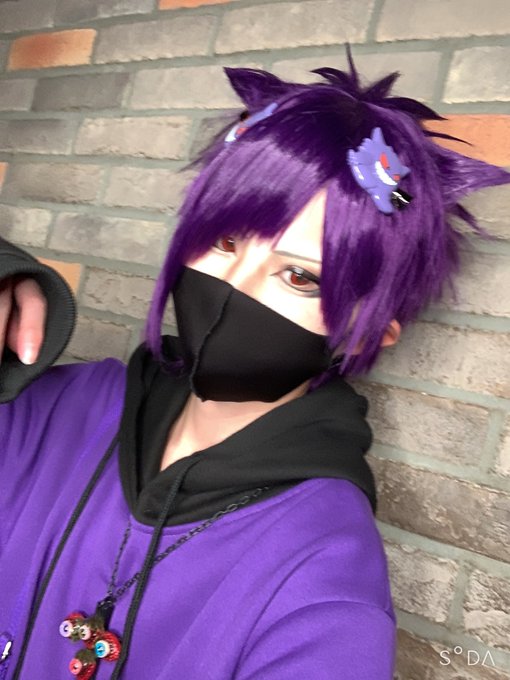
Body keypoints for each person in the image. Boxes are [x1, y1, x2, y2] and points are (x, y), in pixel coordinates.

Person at [0, 52, 509, 680]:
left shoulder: (322, 581)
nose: (232, 289)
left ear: (365, 333)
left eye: (299, 277)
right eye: (225, 241)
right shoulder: (52, 407)